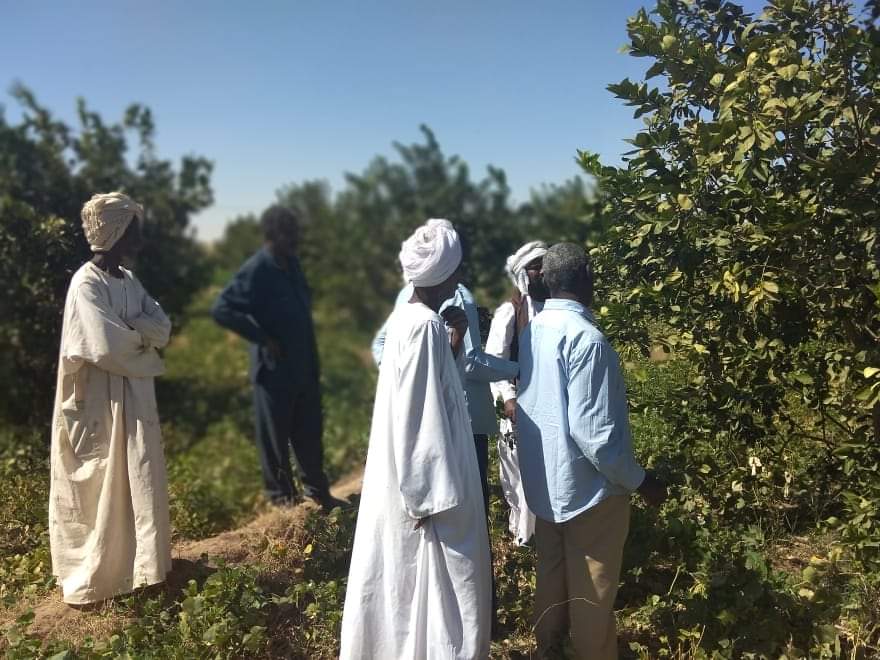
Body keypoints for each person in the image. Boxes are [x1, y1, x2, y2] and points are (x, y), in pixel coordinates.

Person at [340, 219, 491, 660]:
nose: (460, 278)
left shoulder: (409, 318)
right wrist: (426, 500)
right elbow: (418, 417)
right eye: (457, 270)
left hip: (410, 478)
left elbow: (426, 388)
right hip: (429, 488)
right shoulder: (423, 326)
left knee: (402, 590)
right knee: (445, 590)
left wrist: (455, 340)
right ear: (444, 274)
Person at [516, 243, 667, 659]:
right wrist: (642, 481)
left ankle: (548, 650)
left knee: (552, 577)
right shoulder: (588, 340)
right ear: (588, 279)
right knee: (593, 596)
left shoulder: (535, 332)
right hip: (589, 494)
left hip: (547, 484)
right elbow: (595, 436)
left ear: (547, 280)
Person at [49, 192, 173, 605]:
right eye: (134, 233)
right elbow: (104, 345)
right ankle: (97, 578)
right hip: (98, 402)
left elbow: (163, 327)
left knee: (138, 473)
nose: (139, 243)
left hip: (135, 395)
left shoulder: (129, 281)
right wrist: (140, 337)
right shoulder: (86, 284)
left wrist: (132, 329)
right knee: (100, 483)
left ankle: (142, 570)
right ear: (117, 232)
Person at [211, 206, 344, 511]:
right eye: (291, 232)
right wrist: (263, 338)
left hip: (304, 366)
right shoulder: (258, 268)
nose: (296, 238)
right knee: (275, 438)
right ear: (275, 234)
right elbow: (222, 308)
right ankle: (283, 501)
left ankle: (318, 494)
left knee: (310, 432)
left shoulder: (292, 263)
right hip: (274, 371)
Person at [371, 267, 517, 516]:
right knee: (468, 505)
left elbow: (380, 346)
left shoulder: (409, 294)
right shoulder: (458, 296)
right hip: (462, 417)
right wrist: (517, 369)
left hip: (416, 415)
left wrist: (406, 381)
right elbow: (471, 363)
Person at [485, 240, 550, 546]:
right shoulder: (510, 311)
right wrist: (509, 399)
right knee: (519, 477)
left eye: (543, 265)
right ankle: (523, 541)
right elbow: (494, 363)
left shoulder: (555, 306)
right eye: (534, 267)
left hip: (550, 406)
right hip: (519, 408)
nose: (540, 272)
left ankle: (545, 536)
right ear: (522, 273)